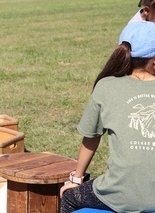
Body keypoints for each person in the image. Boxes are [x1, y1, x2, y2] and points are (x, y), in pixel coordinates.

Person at [60, 21, 155, 213]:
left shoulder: (106, 86)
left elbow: (91, 139)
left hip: (119, 193)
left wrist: (76, 179)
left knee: (69, 198)